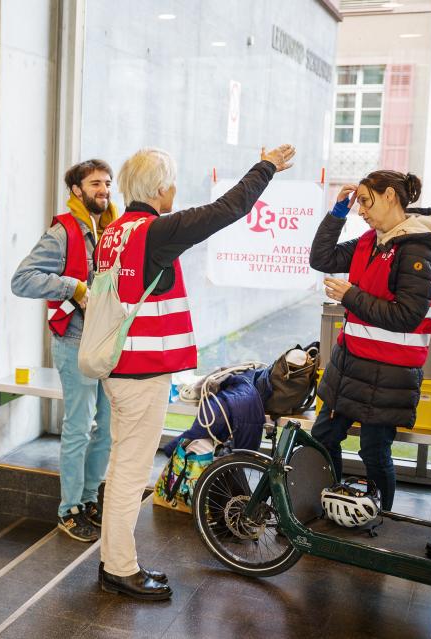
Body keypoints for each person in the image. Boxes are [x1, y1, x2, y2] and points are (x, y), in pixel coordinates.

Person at [93, 144, 295, 600]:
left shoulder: (114, 233)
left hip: (119, 371)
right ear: (162, 189)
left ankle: (113, 561)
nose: (175, 191)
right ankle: (120, 568)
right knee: (129, 473)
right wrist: (268, 167)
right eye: (172, 185)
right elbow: (229, 208)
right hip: (141, 375)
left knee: (121, 466)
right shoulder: (154, 232)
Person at [310, 171, 431, 511]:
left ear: (390, 195)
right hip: (349, 364)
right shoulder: (370, 241)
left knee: (374, 451)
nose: (361, 209)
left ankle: (380, 518)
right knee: (323, 439)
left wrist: (351, 296)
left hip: (390, 374)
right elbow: (321, 258)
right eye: (357, 202)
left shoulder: (419, 251)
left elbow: (407, 315)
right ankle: (334, 504)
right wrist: (337, 213)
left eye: (364, 200)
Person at [11, 159, 118, 543]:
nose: (104, 189)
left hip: (108, 341)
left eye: (107, 182)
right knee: (79, 426)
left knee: (105, 428)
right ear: (76, 190)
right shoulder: (62, 232)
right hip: (74, 340)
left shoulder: (113, 228)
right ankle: (69, 509)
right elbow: (21, 281)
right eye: (95, 184)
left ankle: (89, 499)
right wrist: (73, 287)